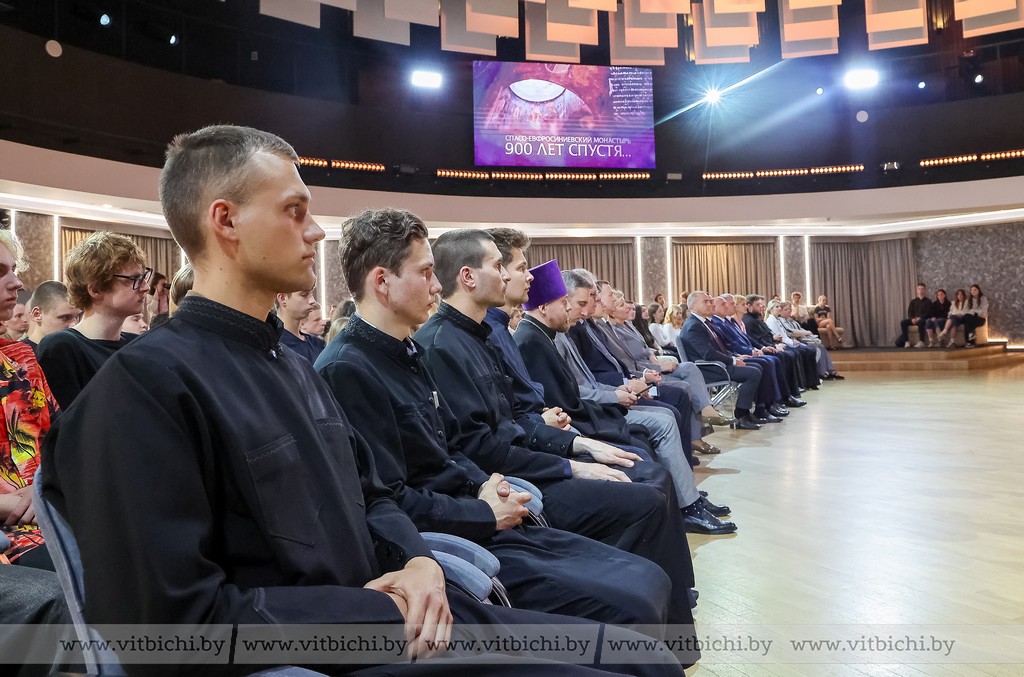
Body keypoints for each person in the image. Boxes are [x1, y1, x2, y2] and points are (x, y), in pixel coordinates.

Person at [40, 125, 684, 677]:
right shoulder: (145, 389)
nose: (316, 231)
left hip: (402, 611)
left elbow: (372, 493)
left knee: (641, 651)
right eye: (295, 211)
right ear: (226, 220)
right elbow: (171, 627)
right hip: (339, 645)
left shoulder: (291, 366)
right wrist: (378, 610)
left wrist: (419, 560)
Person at [316, 208, 689, 632]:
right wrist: (483, 507)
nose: (437, 286)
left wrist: (488, 486)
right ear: (382, 282)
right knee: (634, 594)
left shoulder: (408, 351)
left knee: (648, 578)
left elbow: (451, 448)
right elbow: (389, 498)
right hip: (453, 533)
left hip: (480, 507)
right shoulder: (349, 367)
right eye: (425, 273)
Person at [0, 231, 60, 572]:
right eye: (0, 272)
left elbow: (58, 443)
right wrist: (10, 503)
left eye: (13, 270)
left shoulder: (21, 359)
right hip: (13, 532)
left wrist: (44, 488)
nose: (17, 282)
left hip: (46, 513)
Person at [37, 231, 149, 408]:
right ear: (96, 289)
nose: (146, 287)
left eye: (143, 277)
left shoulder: (138, 345)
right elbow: (69, 421)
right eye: (134, 279)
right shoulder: (61, 347)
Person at [681, 292, 764, 430]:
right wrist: (732, 361)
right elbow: (708, 353)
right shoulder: (693, 326)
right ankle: (741, 416)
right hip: (708, 369)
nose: (710, 304)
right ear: (693, 306)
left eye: (709, 301)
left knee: (757, 366)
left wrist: (735, 357)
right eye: (705, 301)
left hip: (716, 365)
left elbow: (719, 348)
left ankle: (749, 412)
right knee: (753, 373)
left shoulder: (703, 322)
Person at [22, 281, 79, 355]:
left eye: (77, 317)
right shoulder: (15, 357)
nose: (74, 324)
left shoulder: (78, 352)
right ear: (37, 314)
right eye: (65, 318)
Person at [898, 283, 932, 348]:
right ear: (917, 290)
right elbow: (910, 312)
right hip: (914, 319)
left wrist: (920, 318)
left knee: (921, 322)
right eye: (919, 289)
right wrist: (912, 318)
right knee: (903, 322)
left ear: (925, 290)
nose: (921, 290)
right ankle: (907, 341)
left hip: (923, 319)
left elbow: (928, 313)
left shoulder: (928, 301)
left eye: (922, 289)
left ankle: (921, 342)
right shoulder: (913, 301)